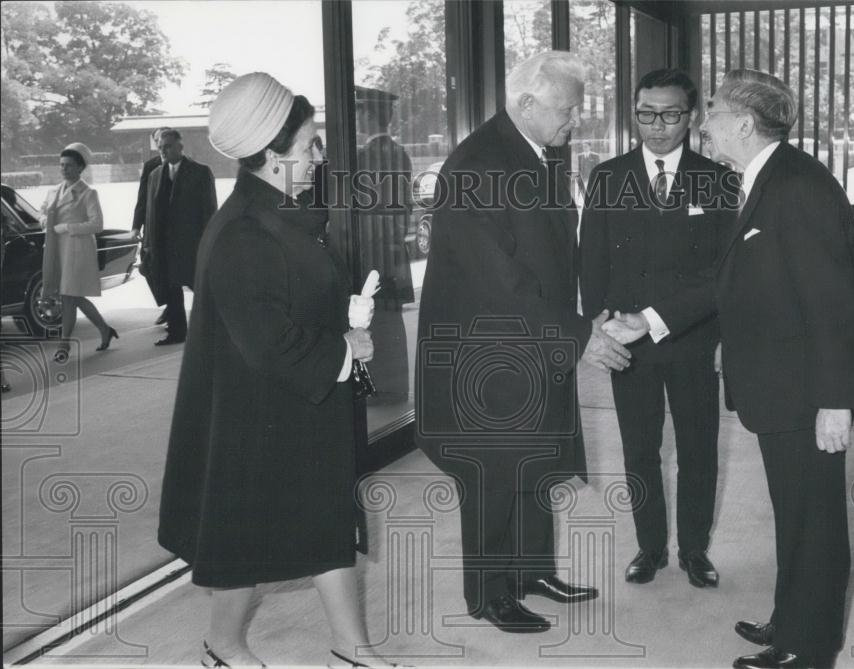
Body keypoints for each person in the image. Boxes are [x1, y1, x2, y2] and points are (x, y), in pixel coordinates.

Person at [605, 69, 854, 668]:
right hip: (782, 387)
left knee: (815, 523)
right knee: (794, 516)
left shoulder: (797, 187)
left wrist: (836, 400)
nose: (705, 122)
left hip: (805, 392)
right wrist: (648, 319)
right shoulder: (764, 178)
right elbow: (724, 282)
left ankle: (808, 649)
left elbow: (835, 302)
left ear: (745, 124)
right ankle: (792, 621)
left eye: (716, 110)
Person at [157, 72, 386, 668]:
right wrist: (346, 351)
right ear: (270, 155)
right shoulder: (242, 232)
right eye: (310, 144)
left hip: (297, 404)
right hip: (257, 414)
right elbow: (267, 341)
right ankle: (222, 644)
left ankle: (351, 644)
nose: (319, 155)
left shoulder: (275, 213)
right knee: (244, 540)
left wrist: (343, 318)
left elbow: (290, 303)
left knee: (326, 519)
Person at [415, 50, 632, 633]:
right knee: (493, 474)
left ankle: (530, 570)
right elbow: (498, 280)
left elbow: (557, 254)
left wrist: (589, 315)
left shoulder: (534, 154)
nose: (575, 120)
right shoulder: (478, 164)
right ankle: (488, 594)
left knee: (533, 466)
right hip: (489, 355)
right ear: (527, 102)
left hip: (530, 345)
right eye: (567, 109)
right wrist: (579, 334)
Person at [580, 68, 736, 588]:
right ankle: (649, 547)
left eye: (670, 114)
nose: (656, 126)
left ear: (691, 117)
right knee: (639, 448)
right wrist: (596, 327)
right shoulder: (608, 177)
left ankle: (694, 548)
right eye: (646, 114)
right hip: (629, 342)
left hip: (692, 338)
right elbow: (593, 260)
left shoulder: (717, 179)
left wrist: (722, 341)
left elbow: (724, 272)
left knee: (698, 448)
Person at [355, 85, 414, 404]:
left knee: (373, 320)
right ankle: (393, 388)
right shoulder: (399, 153)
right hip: (391, 252)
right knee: (389, 320)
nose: (358, 117)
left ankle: (379, 391)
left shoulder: (364, 157)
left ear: (369, 115)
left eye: (361, 111)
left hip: (370, 252)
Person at [134, 128, 217, 346]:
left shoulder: (200, 172)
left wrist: (209, 242)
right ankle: (177, 332)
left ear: (180, 146)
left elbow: (209, 210)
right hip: (163, 244)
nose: (163, 151)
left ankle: (214, 330)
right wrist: (148, 245)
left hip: (191, 242)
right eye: (160, 148)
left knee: (200, 288)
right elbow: (151, 212)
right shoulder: (155, 175)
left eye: (168, 146)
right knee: (171, 288)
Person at [40, 142, 118, 358]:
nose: (64, 169)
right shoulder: (53, 191)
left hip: (77, 251)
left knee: (68, 297)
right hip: (56, 250)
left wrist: (66, 227)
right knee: (72, 297)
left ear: (80, 168)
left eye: (69, 165)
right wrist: (44, 221)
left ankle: (64, 346)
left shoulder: (88, 194)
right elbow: (42, 213)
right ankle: (104, 329)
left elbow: (97, 225)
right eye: (62, 165)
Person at [132, 126, 171, 326]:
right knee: (147, 267)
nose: (159, 144)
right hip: (152, 224)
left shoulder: (183, 164)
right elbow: (142, 197)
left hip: (173, 226)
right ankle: (168, 304)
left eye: (163, 140)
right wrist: (136, 227)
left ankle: (174, 308)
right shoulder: (151, 166)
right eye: (157, 141)